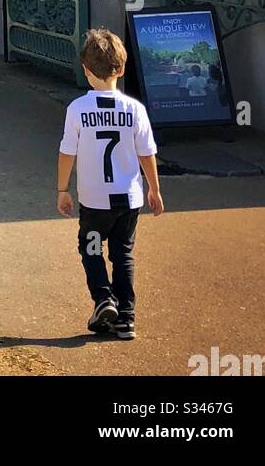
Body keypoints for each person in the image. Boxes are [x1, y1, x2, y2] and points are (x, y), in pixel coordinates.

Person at [57, 28, 164, 341]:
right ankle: (126, 318)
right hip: (128, 200)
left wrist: (62, 189)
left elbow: (67, 152)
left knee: (91, 248)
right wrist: (154, 188)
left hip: (94, 202)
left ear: (86, 70)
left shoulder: (78, 109)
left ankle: (104, 299)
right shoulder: (136, 110)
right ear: (122, 68)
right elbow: (148, 153)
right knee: (123, 253)